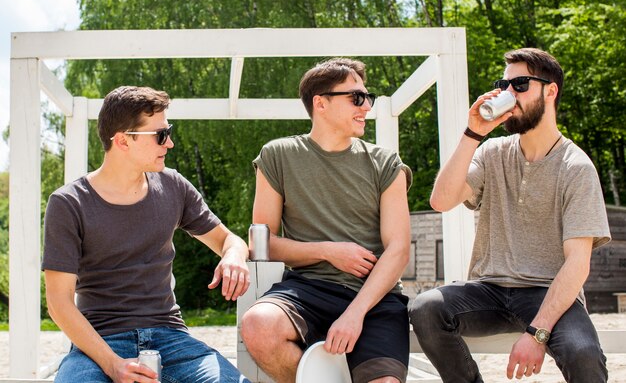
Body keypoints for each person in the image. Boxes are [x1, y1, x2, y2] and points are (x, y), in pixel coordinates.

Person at [409, 48, 611, 382]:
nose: (507, 94)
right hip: (488, 289)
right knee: (425, 308)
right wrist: (472, 133)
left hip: (548, 292)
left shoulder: (576, 167)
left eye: (518, 84)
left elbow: (578, 263)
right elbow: (441, 201)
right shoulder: (491, 152)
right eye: (502, 85)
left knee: (584, 354)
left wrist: (537, 333)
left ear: (550, 90)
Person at [42, 86, 251, 383]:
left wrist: (233, 255)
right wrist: (113, 364)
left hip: (172, 339)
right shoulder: (68, 203)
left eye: (169, 131)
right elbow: (59, 303)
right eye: (161, 135)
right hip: (99, 344)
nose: (171, 143)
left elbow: (231, 240)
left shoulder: (173, 186)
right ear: (123, 141)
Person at [240, 58, 413, 383]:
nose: (366, 106)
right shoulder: (278, 155)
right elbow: (261, 243)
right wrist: (329, 251)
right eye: (356, 98)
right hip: (307, 290)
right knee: (258, 326)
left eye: (368, 98)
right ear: (321, 102)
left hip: (375, 297)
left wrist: (354, 314)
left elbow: (399, 250)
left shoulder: (386, 163)